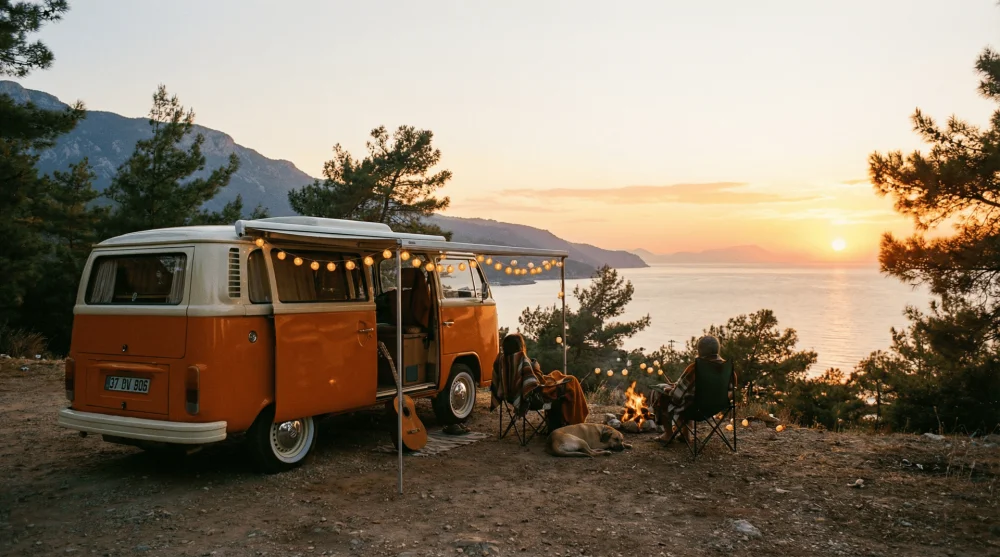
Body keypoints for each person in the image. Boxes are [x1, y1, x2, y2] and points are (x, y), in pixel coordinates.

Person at [490, 332, 589, 427]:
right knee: (571, 380)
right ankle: (575, 421)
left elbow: (497, 383)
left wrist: (533, 367)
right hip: (534, 398)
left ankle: (565, 421)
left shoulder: (501, 361)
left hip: (510, 397)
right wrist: (535, 367)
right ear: (520, 346)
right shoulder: (522, 360)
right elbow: (534, 385)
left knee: (556, 374)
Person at [653, 335, 734, 444]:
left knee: (660, 392)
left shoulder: (695, 369)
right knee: (691, 397)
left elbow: (677, 395)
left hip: (695, 410)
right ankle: (685, 435)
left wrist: (667, 389)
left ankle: (668, 434)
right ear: (717, 349)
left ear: (699, 351)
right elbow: (731, 391)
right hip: (715, 407)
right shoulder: (727, 368)